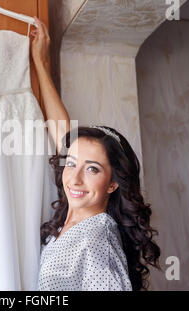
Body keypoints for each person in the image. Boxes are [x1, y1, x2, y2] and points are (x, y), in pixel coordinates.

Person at [30, 17, 161, 291]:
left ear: (114, 182)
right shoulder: (74, 221)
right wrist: (41, 65)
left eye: (92, 169)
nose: (75, 179)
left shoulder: (96, 238)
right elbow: (63, 137)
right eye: (71, 163)